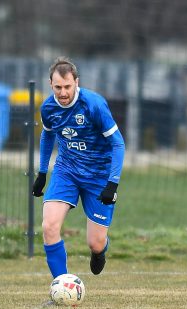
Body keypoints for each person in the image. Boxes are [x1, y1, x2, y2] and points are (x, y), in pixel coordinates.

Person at [32, 57, 125, 279]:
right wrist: (42, 173)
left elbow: (118, 143)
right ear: (50, 84)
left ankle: (100, 250)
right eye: (58, 87)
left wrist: (112, 183)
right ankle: (62, 284)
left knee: (95, 243)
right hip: (67, 171)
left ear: (76, 82)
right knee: (49, 227)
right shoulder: (48, 107)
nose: (63, 93)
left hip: (98, 175)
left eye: (67, 87)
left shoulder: (94, 104)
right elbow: (47, 135)